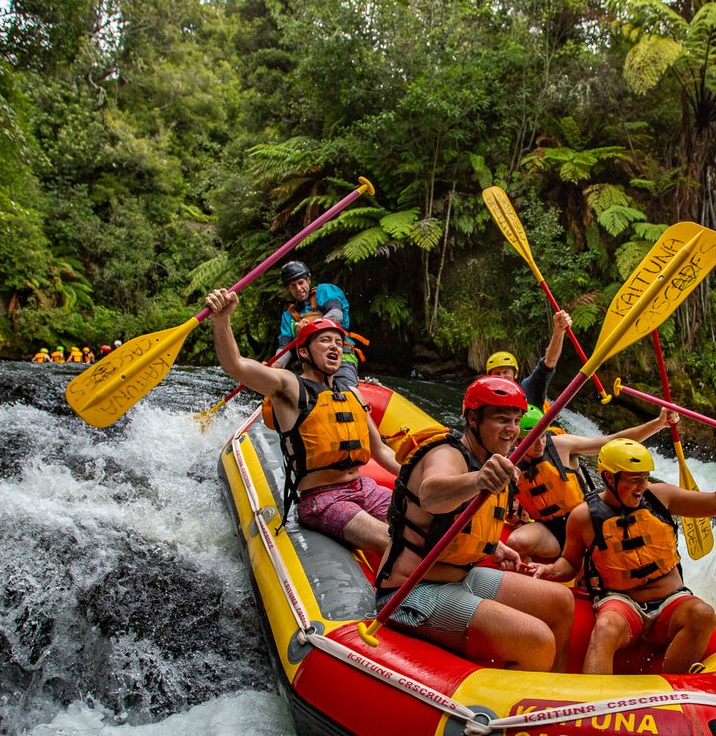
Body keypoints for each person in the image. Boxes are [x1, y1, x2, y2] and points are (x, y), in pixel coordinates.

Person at [375, 376, 574, 671]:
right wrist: (478, 479)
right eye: (502, 419)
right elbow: (432, 494)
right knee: (537, 638)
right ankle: (523, 711)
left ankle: (555, 692)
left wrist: (495, 546)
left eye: (516, 421)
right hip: (409, 592)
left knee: (562, 601)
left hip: (460, 577)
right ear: (472, 418)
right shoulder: (447, 454)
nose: (512, 430)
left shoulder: (487, 457)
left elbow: (459, 525)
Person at [535, 429, 716, 675]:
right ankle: (595, 701)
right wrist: (549, 570)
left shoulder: (661, 497)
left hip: (670, 601)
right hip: (621, 602)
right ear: (609, 478)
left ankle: (671, 688)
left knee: (702, 614)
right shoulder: (583, 517)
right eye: (634, 479)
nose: (642, 487)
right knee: (606, 627)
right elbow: (569, 563)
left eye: (645, 478)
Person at [206, 288, 400, 551]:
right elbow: (235, 365)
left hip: (363, 487)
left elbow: (381, 452)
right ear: (305, 352)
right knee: (397, 542)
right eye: (325, 341)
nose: (334, 346)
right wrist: (222, 319)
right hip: (323, 499)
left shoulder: (351, 393)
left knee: (424, 528)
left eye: (338, 343)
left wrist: (417, 479)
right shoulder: (288, 386)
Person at [509, 405, 682, 563]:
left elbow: (613, 441)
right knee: (516, 542)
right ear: (517, 441)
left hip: (588, 523)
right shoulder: (511, 463)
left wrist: (658, 424)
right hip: (552, 529)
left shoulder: (562, 446)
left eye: (542, 436)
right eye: (532, 440)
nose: (540, 444)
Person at [275, 258, 359, 390]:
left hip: (340, 358)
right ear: (288, 288)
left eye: (301, 282)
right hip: (311, 366)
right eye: (293, 285)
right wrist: (275, 366)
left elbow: (337, 315)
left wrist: (308, 328)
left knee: (347, 394)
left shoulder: (324, 291)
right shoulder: (288, 316)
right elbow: (285, 349)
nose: (298, 288)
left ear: (308, 280)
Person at [486, 310, 571, 409]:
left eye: (506, 372)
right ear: (489, 378)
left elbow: (549, 362)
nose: (502, 377)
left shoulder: (527, 388)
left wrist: (558, 332)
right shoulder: (486, 401)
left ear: (515, 374)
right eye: (496, 373)